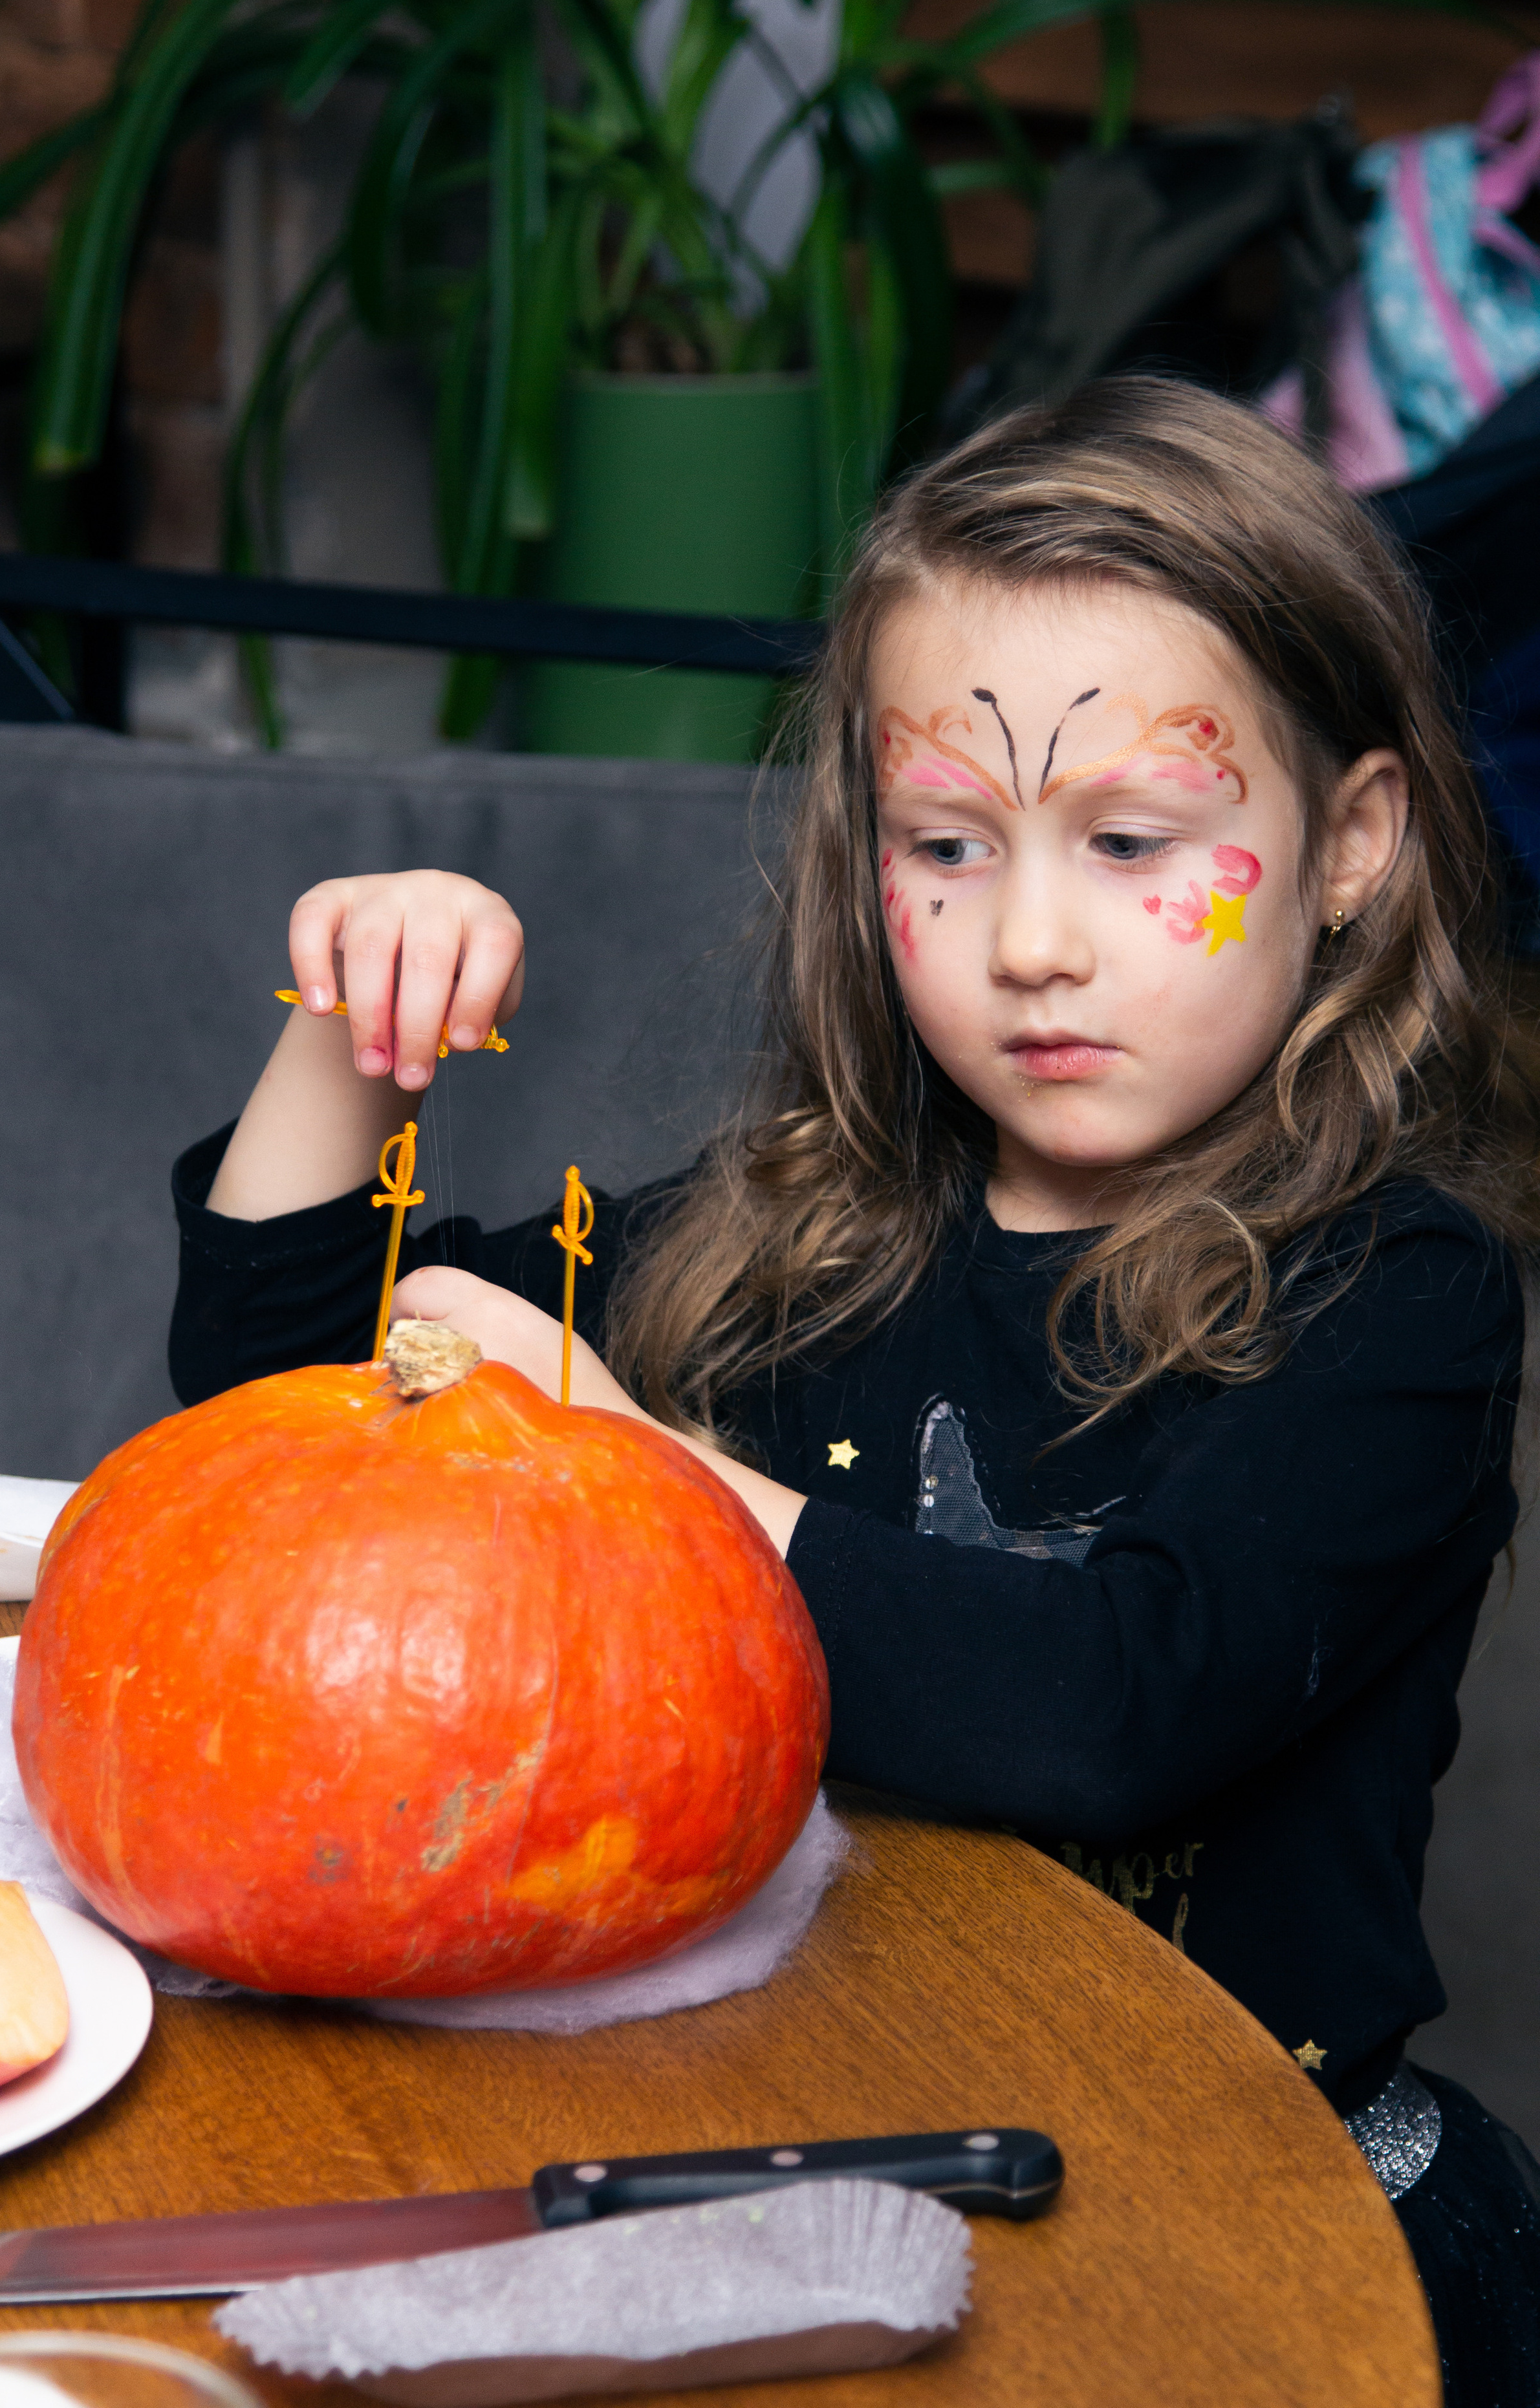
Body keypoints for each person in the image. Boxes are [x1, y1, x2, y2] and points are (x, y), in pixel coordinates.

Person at [172, 375, 1540, 2400]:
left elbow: (1115, 1709)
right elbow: (278, 1418)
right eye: (951, 846)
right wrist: (352, 1038)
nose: (1034, 942)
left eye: (1130, 842)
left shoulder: (1399, 1297)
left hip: (1249, 2223)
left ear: (1349, 843)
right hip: (811, 2182)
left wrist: (635, 1468)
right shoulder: (790, 1242)